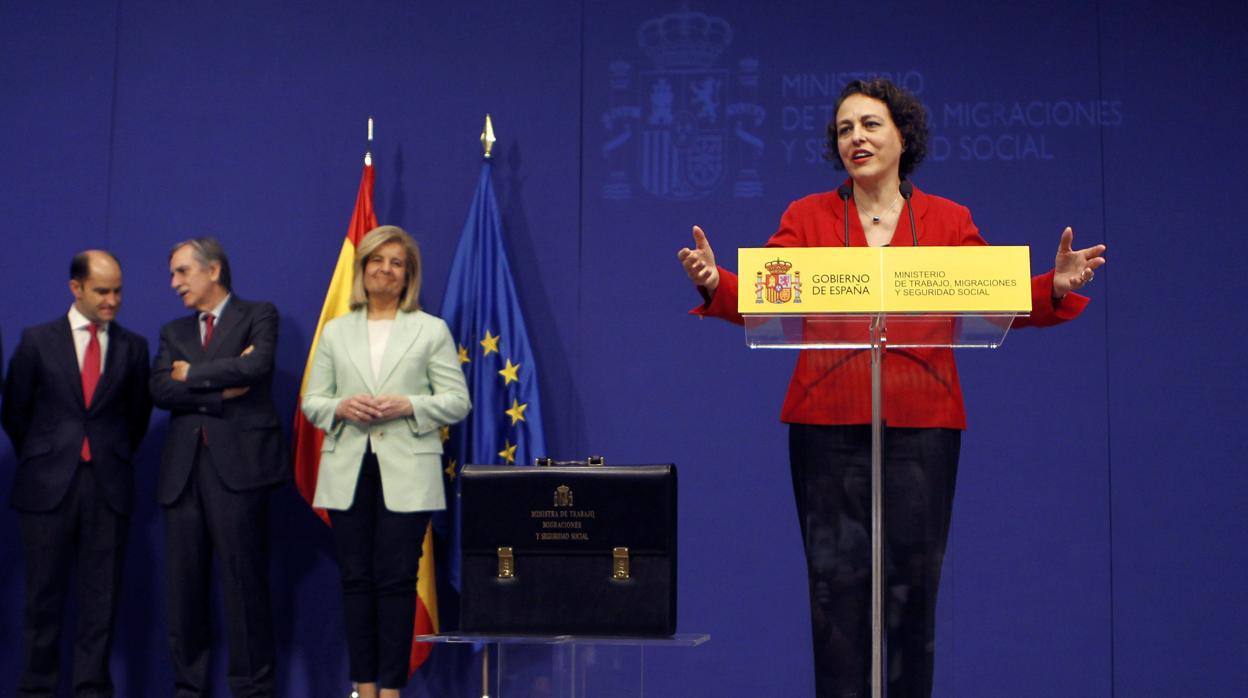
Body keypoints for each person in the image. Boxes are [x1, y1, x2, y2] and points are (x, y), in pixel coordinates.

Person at [677, 79, 1106, 698]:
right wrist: (717, 281)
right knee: (834, 590)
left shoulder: (949, 220)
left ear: (904, 137)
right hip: (826, 422)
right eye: (845, 129)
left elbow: (996, 298)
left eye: (871, 124)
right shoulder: (806, 216)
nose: (857, 138)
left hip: (923, 424)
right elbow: (767, 295)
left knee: (913, 590)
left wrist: (1054, 285)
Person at [301, 225, 470, 698]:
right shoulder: (337, 331)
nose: (386, 269)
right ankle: (365, 686)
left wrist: (409, 404)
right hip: (348, 469)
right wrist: (340, 407)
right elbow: (312, 401)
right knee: (356, 580)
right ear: (363, 268)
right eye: (377, 260)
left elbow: (457, 401)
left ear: (408, 274)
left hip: (409, 471)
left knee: (397, 582)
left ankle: (392, 689)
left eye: (397, 263)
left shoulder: (430, 330)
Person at [2, 250, 152, 697]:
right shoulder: (37, 340)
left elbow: (136, 419)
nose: (112, 301)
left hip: (107, 488)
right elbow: (15, 412)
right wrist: (48, 454)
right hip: (47, 487)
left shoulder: (133, 347)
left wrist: (105, 455)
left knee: (101, 601)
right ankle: (36, 690)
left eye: (118, 291)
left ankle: (92, 690)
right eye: (102, 291)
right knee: (42, 599)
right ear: (76, 288)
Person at [150, 237, 287, 697]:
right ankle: (189, 689)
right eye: (173, 274)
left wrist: (191, 374)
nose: (174, 283)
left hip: (241, 471)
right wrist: (220, 388)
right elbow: (160, 390)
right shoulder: (173, 331)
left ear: (213, 271)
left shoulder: (259, 315)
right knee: (184, 592)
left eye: (182, 272)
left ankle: (252, 690)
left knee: (245, 587)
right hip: (183, 474)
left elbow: (256, 368)